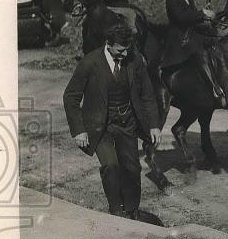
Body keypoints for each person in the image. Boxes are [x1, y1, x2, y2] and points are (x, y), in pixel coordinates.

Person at [63, 20, 160, 220]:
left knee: (132, 167)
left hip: (128, 122)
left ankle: (132, 211)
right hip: (101, 125)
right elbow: (71, 96)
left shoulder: (136, 60)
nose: (125, 54)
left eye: (127, 49)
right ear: (108, 44)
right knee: (111, 165)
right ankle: (116, 210)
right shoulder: (90, 62)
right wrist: (79, 130)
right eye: (120, 50)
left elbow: (148, 95)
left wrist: (154, 125)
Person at [162, 0, 226, 107]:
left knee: (216, 41)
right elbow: (181, 18)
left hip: (191, 31)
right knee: (200, 51)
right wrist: (202, 13)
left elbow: (191, 16)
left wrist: (207, 19)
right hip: (179, 36)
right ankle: (214, 87)